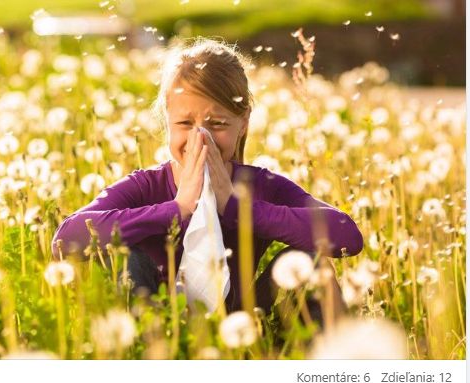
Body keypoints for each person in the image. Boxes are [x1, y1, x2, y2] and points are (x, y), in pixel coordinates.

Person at [52, 38, 363, 321]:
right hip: (157, 324)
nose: (200, 138)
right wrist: (177, 208)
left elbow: (347, 235)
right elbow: (65, 240)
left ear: (243, 124)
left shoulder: (260, 186)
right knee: (125, 258)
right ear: (167, 122)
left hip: (246, 324)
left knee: (311, 261)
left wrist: (237, 207)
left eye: (217, 123)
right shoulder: (147, 186)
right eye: (185, 123)